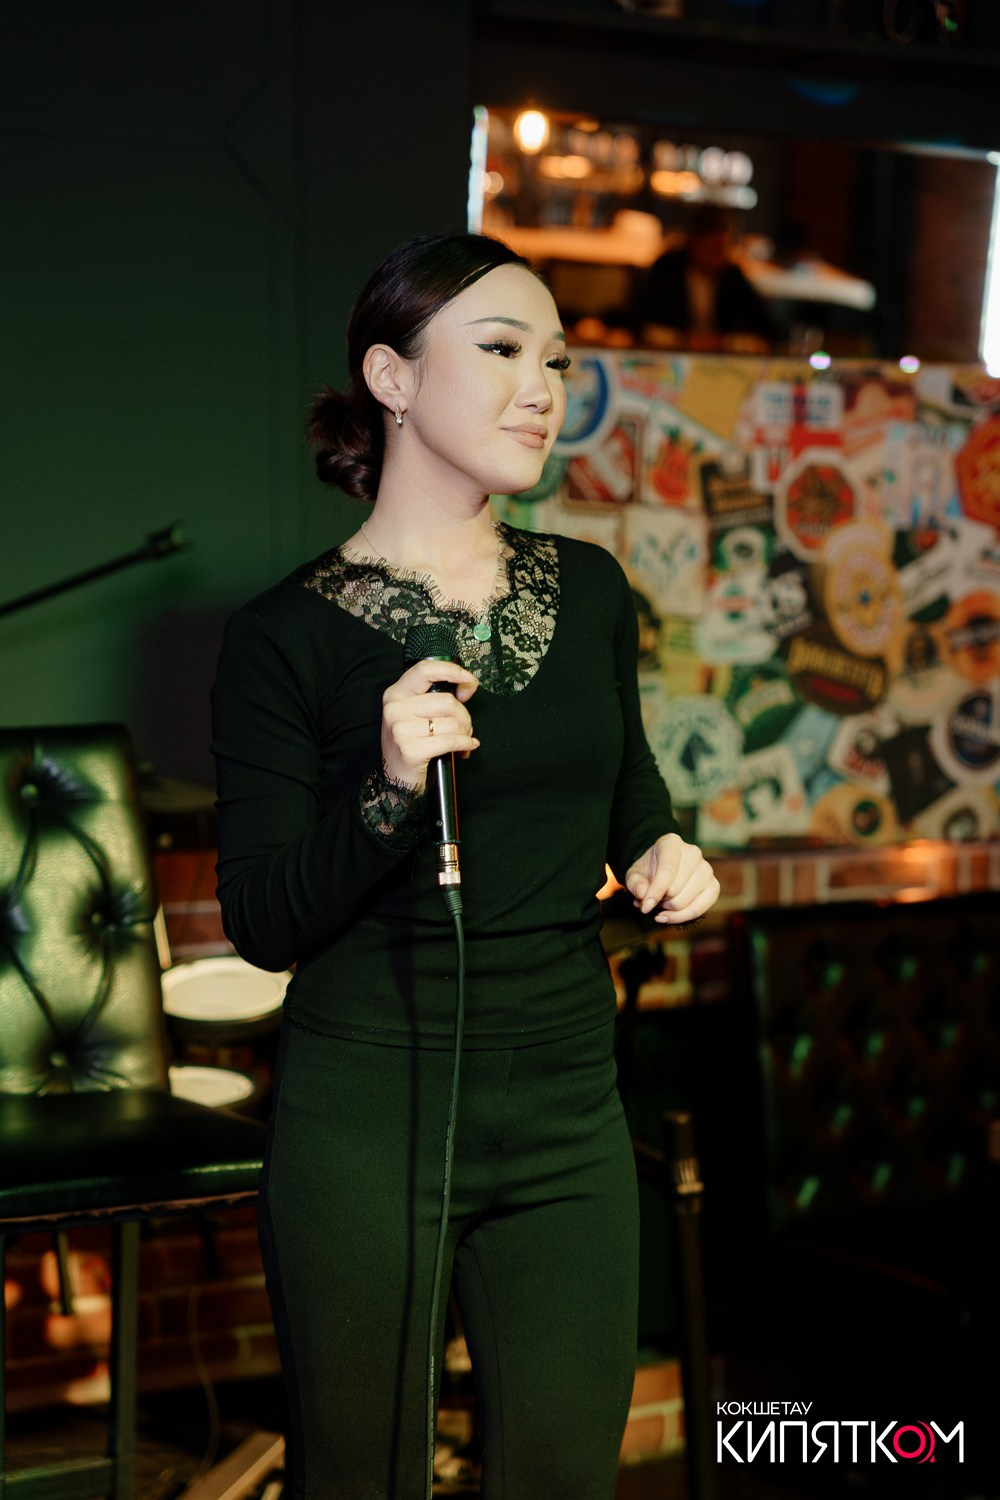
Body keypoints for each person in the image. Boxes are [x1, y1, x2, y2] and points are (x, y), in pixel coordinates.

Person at [210, 231, 720, 1500]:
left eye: (555, 360)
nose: (540, 389)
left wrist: (660, 851)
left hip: (568, 1103)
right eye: (500, 350)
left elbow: (628, 792)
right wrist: (387, 792)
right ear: (390, 378)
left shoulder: (588, 590)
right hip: (365, 1117)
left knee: (564, 1479)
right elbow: (264, 920)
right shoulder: (283, 636)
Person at [635, 203, 776, 352]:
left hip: (720, 360)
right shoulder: (667, 269)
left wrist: (723, 341)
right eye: (710, 250)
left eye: (721, 250)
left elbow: (769, 330)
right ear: (693, 242)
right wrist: (685, 340)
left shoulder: (732, 276)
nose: (717, 259)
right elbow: (642, 326)